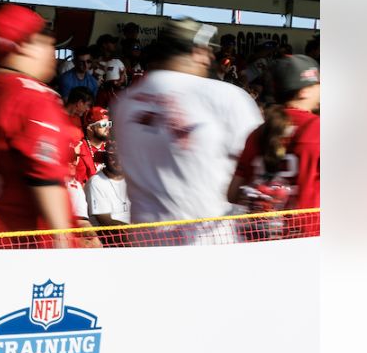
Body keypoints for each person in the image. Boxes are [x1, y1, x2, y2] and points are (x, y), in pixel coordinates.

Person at [111, 17, 263, 242]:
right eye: (207, 50)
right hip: (208, 239)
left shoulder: (124, 101)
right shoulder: (225, 95)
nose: (210, 57)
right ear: (198, 52)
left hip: (146, 242)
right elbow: (259, 167)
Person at [0, 4, 80, 248]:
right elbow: (44, 181)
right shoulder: (32, 97)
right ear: (24, 45)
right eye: (46, 43)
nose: (51, 53)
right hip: (24, 252)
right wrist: (65, 250)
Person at [227, 54, 320, 238]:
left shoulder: (257, 133)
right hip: (305, 242)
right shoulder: (318, 129)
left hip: (260, 241)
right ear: (304, 91)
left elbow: (232, 194)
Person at [87, 143, 130, 228]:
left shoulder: (132, 180)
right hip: (111, 237)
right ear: (105, 158)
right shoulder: (96, 182)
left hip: (138, 234)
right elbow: (106, 222)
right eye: (113, 157)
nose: (118, 161)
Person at [76, 106, 111, 184]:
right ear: (90, 128)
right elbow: (81, 187)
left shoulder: (111, 147)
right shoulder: (80, 150)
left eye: (109, 123)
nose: (108, 127)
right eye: (103, 125)